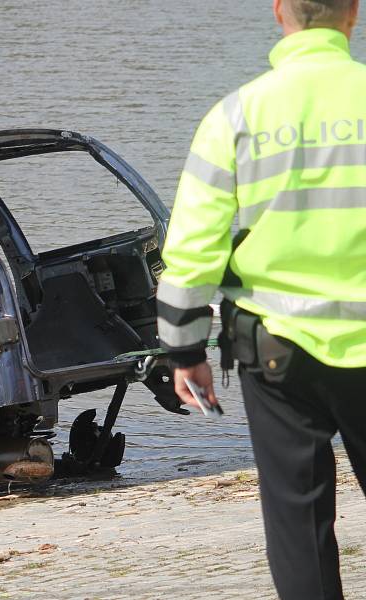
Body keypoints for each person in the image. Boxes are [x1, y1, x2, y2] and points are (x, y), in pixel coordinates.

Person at [156, 0, 366, 598]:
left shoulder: (236, 115)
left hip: (278, 350)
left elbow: (193, 249)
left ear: (280, 13)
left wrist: (183, 349)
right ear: (353, 12)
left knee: (298, 523)